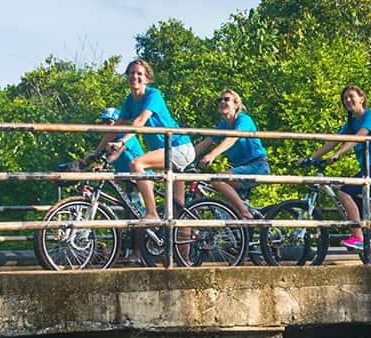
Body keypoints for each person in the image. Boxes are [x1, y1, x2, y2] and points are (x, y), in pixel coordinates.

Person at [304, 85, 371, 251]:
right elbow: (335, 140)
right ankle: (369, 253)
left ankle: (357, 238)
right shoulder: (351, 122)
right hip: (366, 168)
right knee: (356, 206)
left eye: (351, 96)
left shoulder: (370, 116)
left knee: (344, 192)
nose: (348, 101)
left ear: (362, 98)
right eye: (345, 99)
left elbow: (358, 137)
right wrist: (311, 158)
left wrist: (338, 154)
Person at [109, 58, 194, 219]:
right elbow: (114, 129)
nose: (135, 76)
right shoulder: (129, 100)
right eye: (131, 73)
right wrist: (94, 154)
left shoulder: (153, 95)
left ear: (147, 79)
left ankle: (151, 213)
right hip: (166, 151)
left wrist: (121, 142)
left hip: (179, 147)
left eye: (139, 73)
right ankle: (184, 242)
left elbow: (139, 121)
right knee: (177, 214)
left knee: (137, 164)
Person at [192, 90, 269, 218]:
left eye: (226, 99)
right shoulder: (223, 125)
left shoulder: (244, 120)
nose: (222, 102)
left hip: (257, 166)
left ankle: (246, 214)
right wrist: (184, 158)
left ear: (236, 105)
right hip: (241, 169)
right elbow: (205, 142)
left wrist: (212, 154)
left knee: (217, 180)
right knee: (228, 215)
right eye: (220, 100)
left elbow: (232, 138)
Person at [85, 106, 149, 206]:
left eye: (109, 122)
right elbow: (100, 153)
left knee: (140, 210)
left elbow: (116, 153)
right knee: (129, 209)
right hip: (128, 179)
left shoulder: (126, 136)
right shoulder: (110, 140)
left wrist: (102, 165)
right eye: (103, 122)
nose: (105, 125)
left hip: (141, 179)